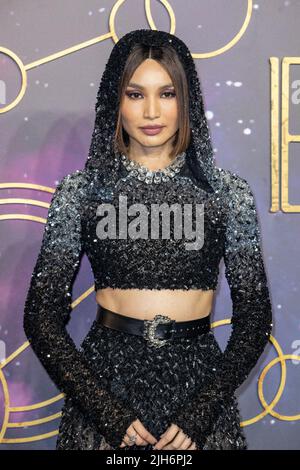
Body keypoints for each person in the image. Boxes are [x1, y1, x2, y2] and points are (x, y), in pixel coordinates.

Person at [23, 29, 273, 451]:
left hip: (199, 389)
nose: (152, 111)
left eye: (167, 93)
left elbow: (255, 318)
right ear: (114, 102)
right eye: (136, 94)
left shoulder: (226, 195)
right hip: (105, 389)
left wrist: (203, 409)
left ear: (186, 99)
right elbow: (40, 317)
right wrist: (103, 410)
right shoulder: (82, 193)